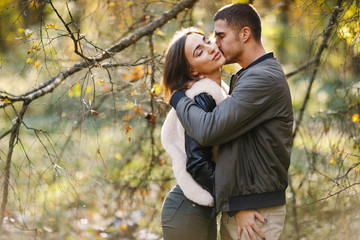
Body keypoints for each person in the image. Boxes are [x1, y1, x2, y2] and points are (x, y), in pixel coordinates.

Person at [169, 3, 293, 240]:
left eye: (220, 36)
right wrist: (235, 206)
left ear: (245, 34)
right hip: (244, 207)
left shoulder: (262, 78)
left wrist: (177, 98)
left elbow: (209, 129)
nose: (215, 43)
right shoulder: (247, 76)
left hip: (256, 212)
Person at [160, 27, 263, 240]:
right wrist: (236, 206)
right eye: (199, 52)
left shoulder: (220, 92)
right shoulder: (202, 98)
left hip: (198, 209)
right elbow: (197, 163)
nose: (211, 48)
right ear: (193, 71)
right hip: (187, 210)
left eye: (207, 41)